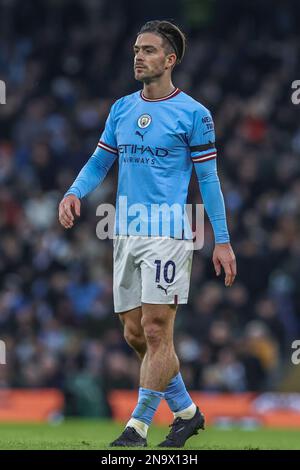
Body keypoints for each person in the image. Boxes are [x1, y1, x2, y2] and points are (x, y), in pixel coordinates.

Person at [58, 20, 237, 448]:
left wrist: (223, 240)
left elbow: (208, 179)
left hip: (170, 234)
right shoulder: (121, 108)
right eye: (137, 49)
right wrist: (73, 192)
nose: (139, 56)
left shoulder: (195, 114)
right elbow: (100, 161)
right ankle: (187, 413)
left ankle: (136, 427)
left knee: (158, 331)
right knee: (134, 334)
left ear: (170, 59)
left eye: (150, 50)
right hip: (124, 233)